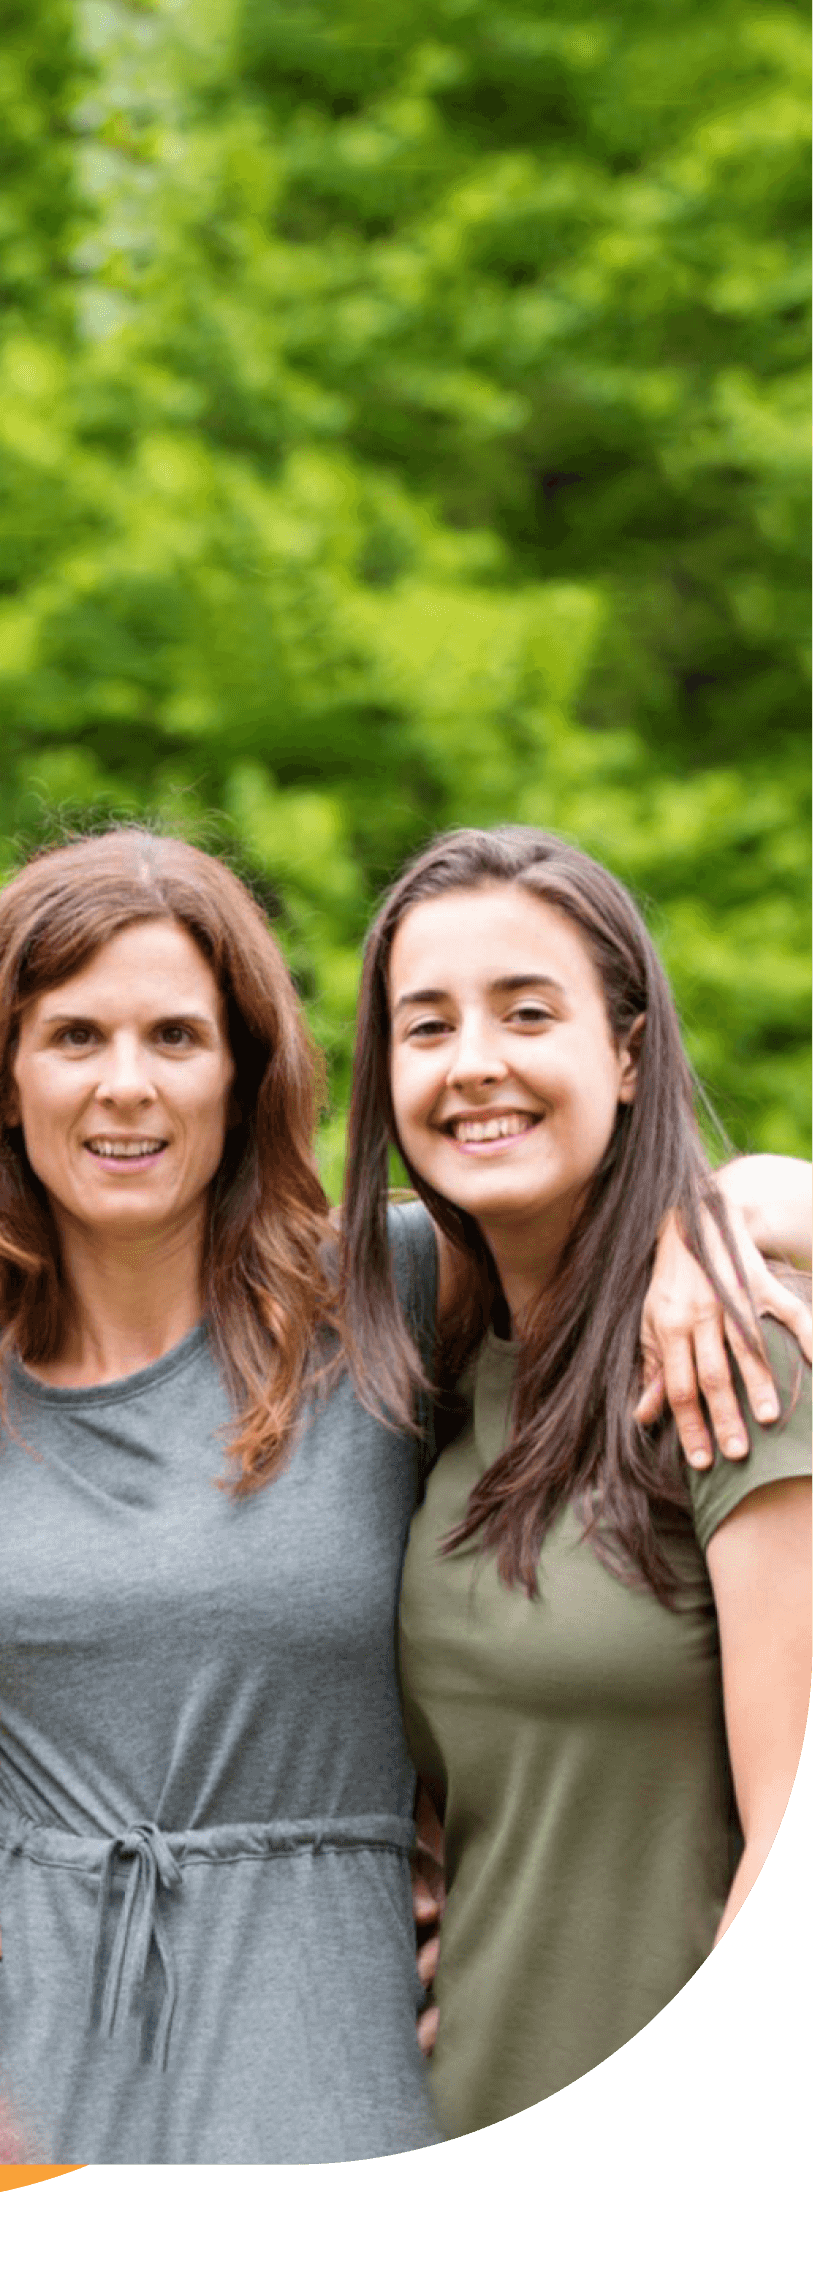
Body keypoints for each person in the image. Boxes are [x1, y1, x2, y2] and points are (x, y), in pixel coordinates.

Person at [0, 829, 806, 2160]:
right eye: (73, 1038)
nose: (125, 1089)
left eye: (176, 1037)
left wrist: (711, 1217)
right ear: (0, 1078)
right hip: (70, 2082)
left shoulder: (415, 1307)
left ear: (246, 1074)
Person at [338, 826, 810, 2137]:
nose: (474, 1061)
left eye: (527, 1012)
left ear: (629, 1050)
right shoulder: (445, 1369)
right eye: (426, 1028)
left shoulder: (732, 1352)